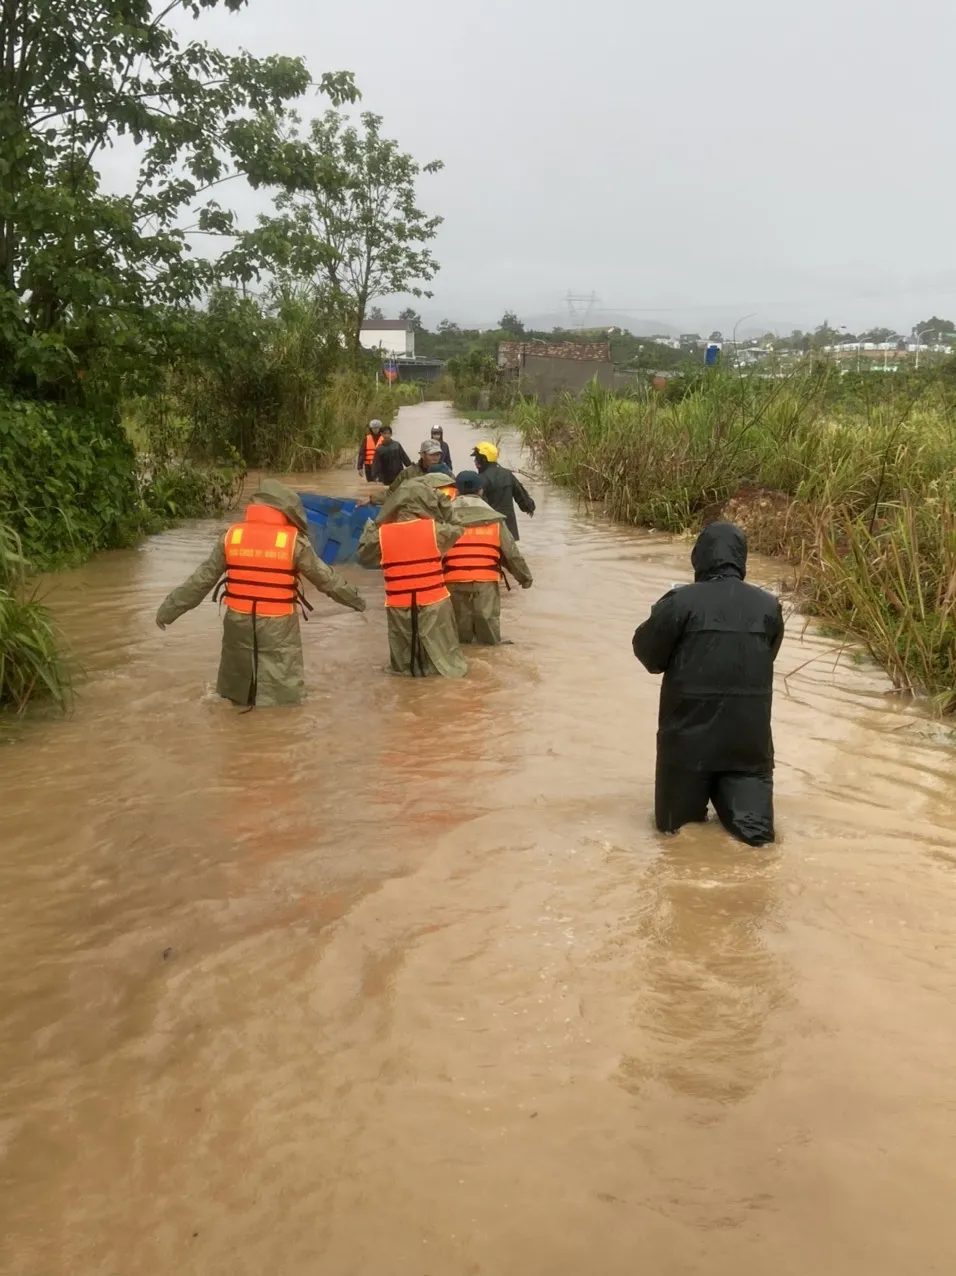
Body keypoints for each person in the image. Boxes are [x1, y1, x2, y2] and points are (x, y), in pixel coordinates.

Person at [632, 522, 784, 847]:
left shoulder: (679, 602)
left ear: (699, 556)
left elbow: (648, 656)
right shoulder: (769, 606)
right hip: (748, 746)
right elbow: (767, 658)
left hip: (687, 746)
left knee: (674, 837)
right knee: (757, 843)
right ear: (741, 558)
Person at [156, 479, 366, 708]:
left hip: (238, 623)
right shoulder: (294, 542)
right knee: (283, 697)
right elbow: (327, 580)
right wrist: (357, 600)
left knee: (236, 693)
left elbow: (200, 581)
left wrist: (168, 610)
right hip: (278, 627)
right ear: (286, 510)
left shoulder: (231, 536)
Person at [357, 486, 467, 678]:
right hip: (434, 601)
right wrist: (443, 502)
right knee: (442, 659)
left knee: (403, 667)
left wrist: (377, 522)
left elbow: (364, 558)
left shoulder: (381, 534)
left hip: (399, 605)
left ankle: (408, 684)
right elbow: (458, 527)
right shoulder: (435, 529)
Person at [444, 470, 532, 644]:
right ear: (480, 491)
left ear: (457, 491)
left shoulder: (444, 519)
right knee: (489, 637)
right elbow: (511, 554)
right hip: (485, 581)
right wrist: (524, 578)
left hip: (453, 579)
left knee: (460, 637)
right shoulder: (494, 519)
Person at [471, 441, 535, 540]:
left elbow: (474, 504)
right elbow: (522, 496)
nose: (475, 462)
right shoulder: (507, 474)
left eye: (477, 458)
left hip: (489, 529)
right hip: (509, 529)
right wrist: (529, 507)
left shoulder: (480, 479)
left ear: (483, 459)